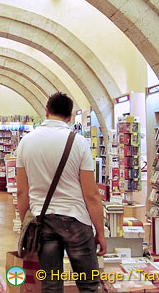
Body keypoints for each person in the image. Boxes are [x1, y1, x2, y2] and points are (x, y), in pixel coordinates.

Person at [16, 92, 106, 293]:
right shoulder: (79, 143)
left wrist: (27, 223)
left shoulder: (26, 142)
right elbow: (91, 194)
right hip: (76, 220)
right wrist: (100, 231)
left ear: (46, 112)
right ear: (70, 116)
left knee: (50, 285)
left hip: (42, 219)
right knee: (89, 284)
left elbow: (22, 191)